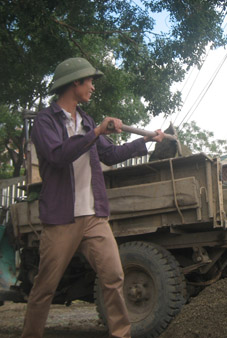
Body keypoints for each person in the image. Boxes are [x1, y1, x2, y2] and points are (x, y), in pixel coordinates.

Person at [21, 57, 165, 338]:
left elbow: (109, 154)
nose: (92, 88)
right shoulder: (44, 121)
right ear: (75, 82)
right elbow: (58, 155)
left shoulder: (85, 121)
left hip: (93, 216)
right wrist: (97, 131)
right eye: (89, 81)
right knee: (45, 287)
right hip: (62, 218)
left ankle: (121, 334)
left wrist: (145, 141)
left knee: (114, 277)